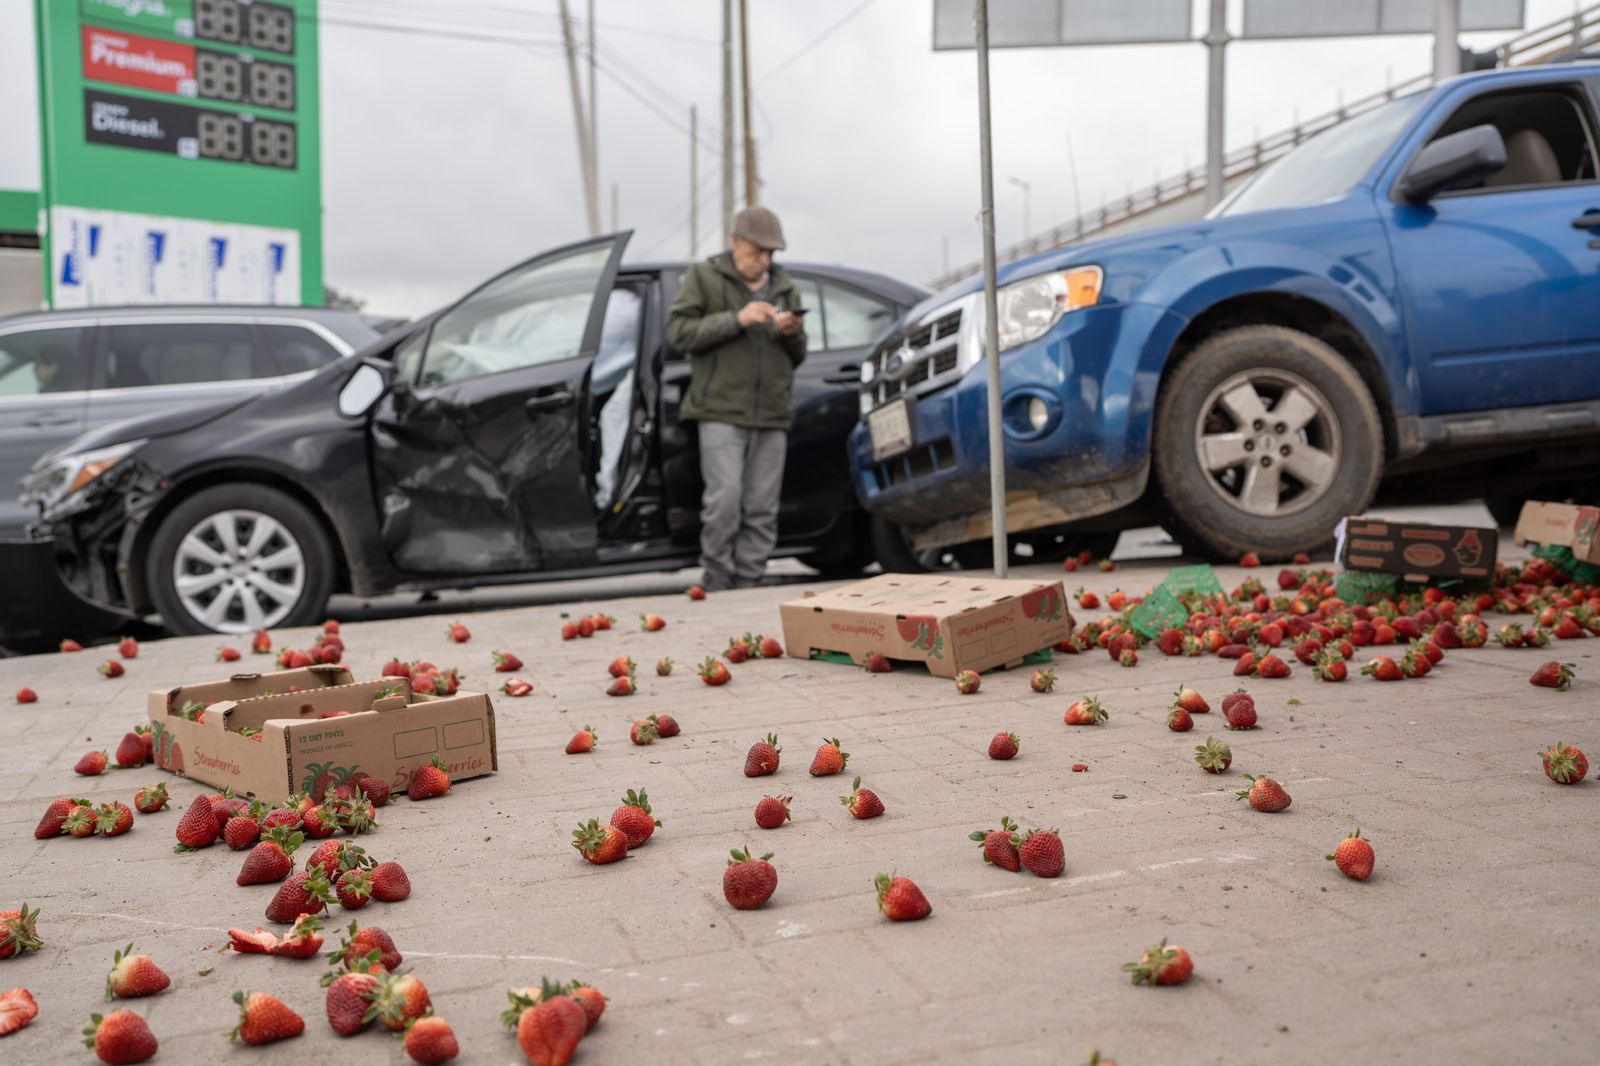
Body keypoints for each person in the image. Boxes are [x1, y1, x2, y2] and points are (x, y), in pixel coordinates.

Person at [666, 206, 806, 590]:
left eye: (771, 253)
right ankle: (717, 578)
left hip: (772, 412)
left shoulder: (785, 287)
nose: (764, 261)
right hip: (721, 411)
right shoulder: (704, 277)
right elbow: (677, 333)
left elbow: (799, 355)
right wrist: (737, 319)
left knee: (763, 505)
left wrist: (790, 331)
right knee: (724, 500)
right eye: (757, 251)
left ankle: (749, 581)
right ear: (735, 243)